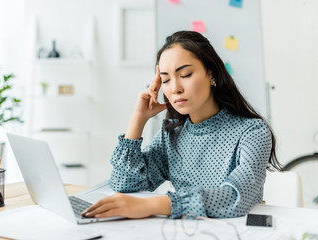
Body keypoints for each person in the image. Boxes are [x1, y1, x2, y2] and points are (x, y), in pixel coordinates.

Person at [83, 31, 281, 219]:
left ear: (211, 74)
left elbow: (237, 196)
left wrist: (152, 206)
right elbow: (123, 183)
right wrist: (138, 119)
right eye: (166, 80)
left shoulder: (252, 132)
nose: (175, 88)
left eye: (185, 74)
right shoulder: (172, 134)